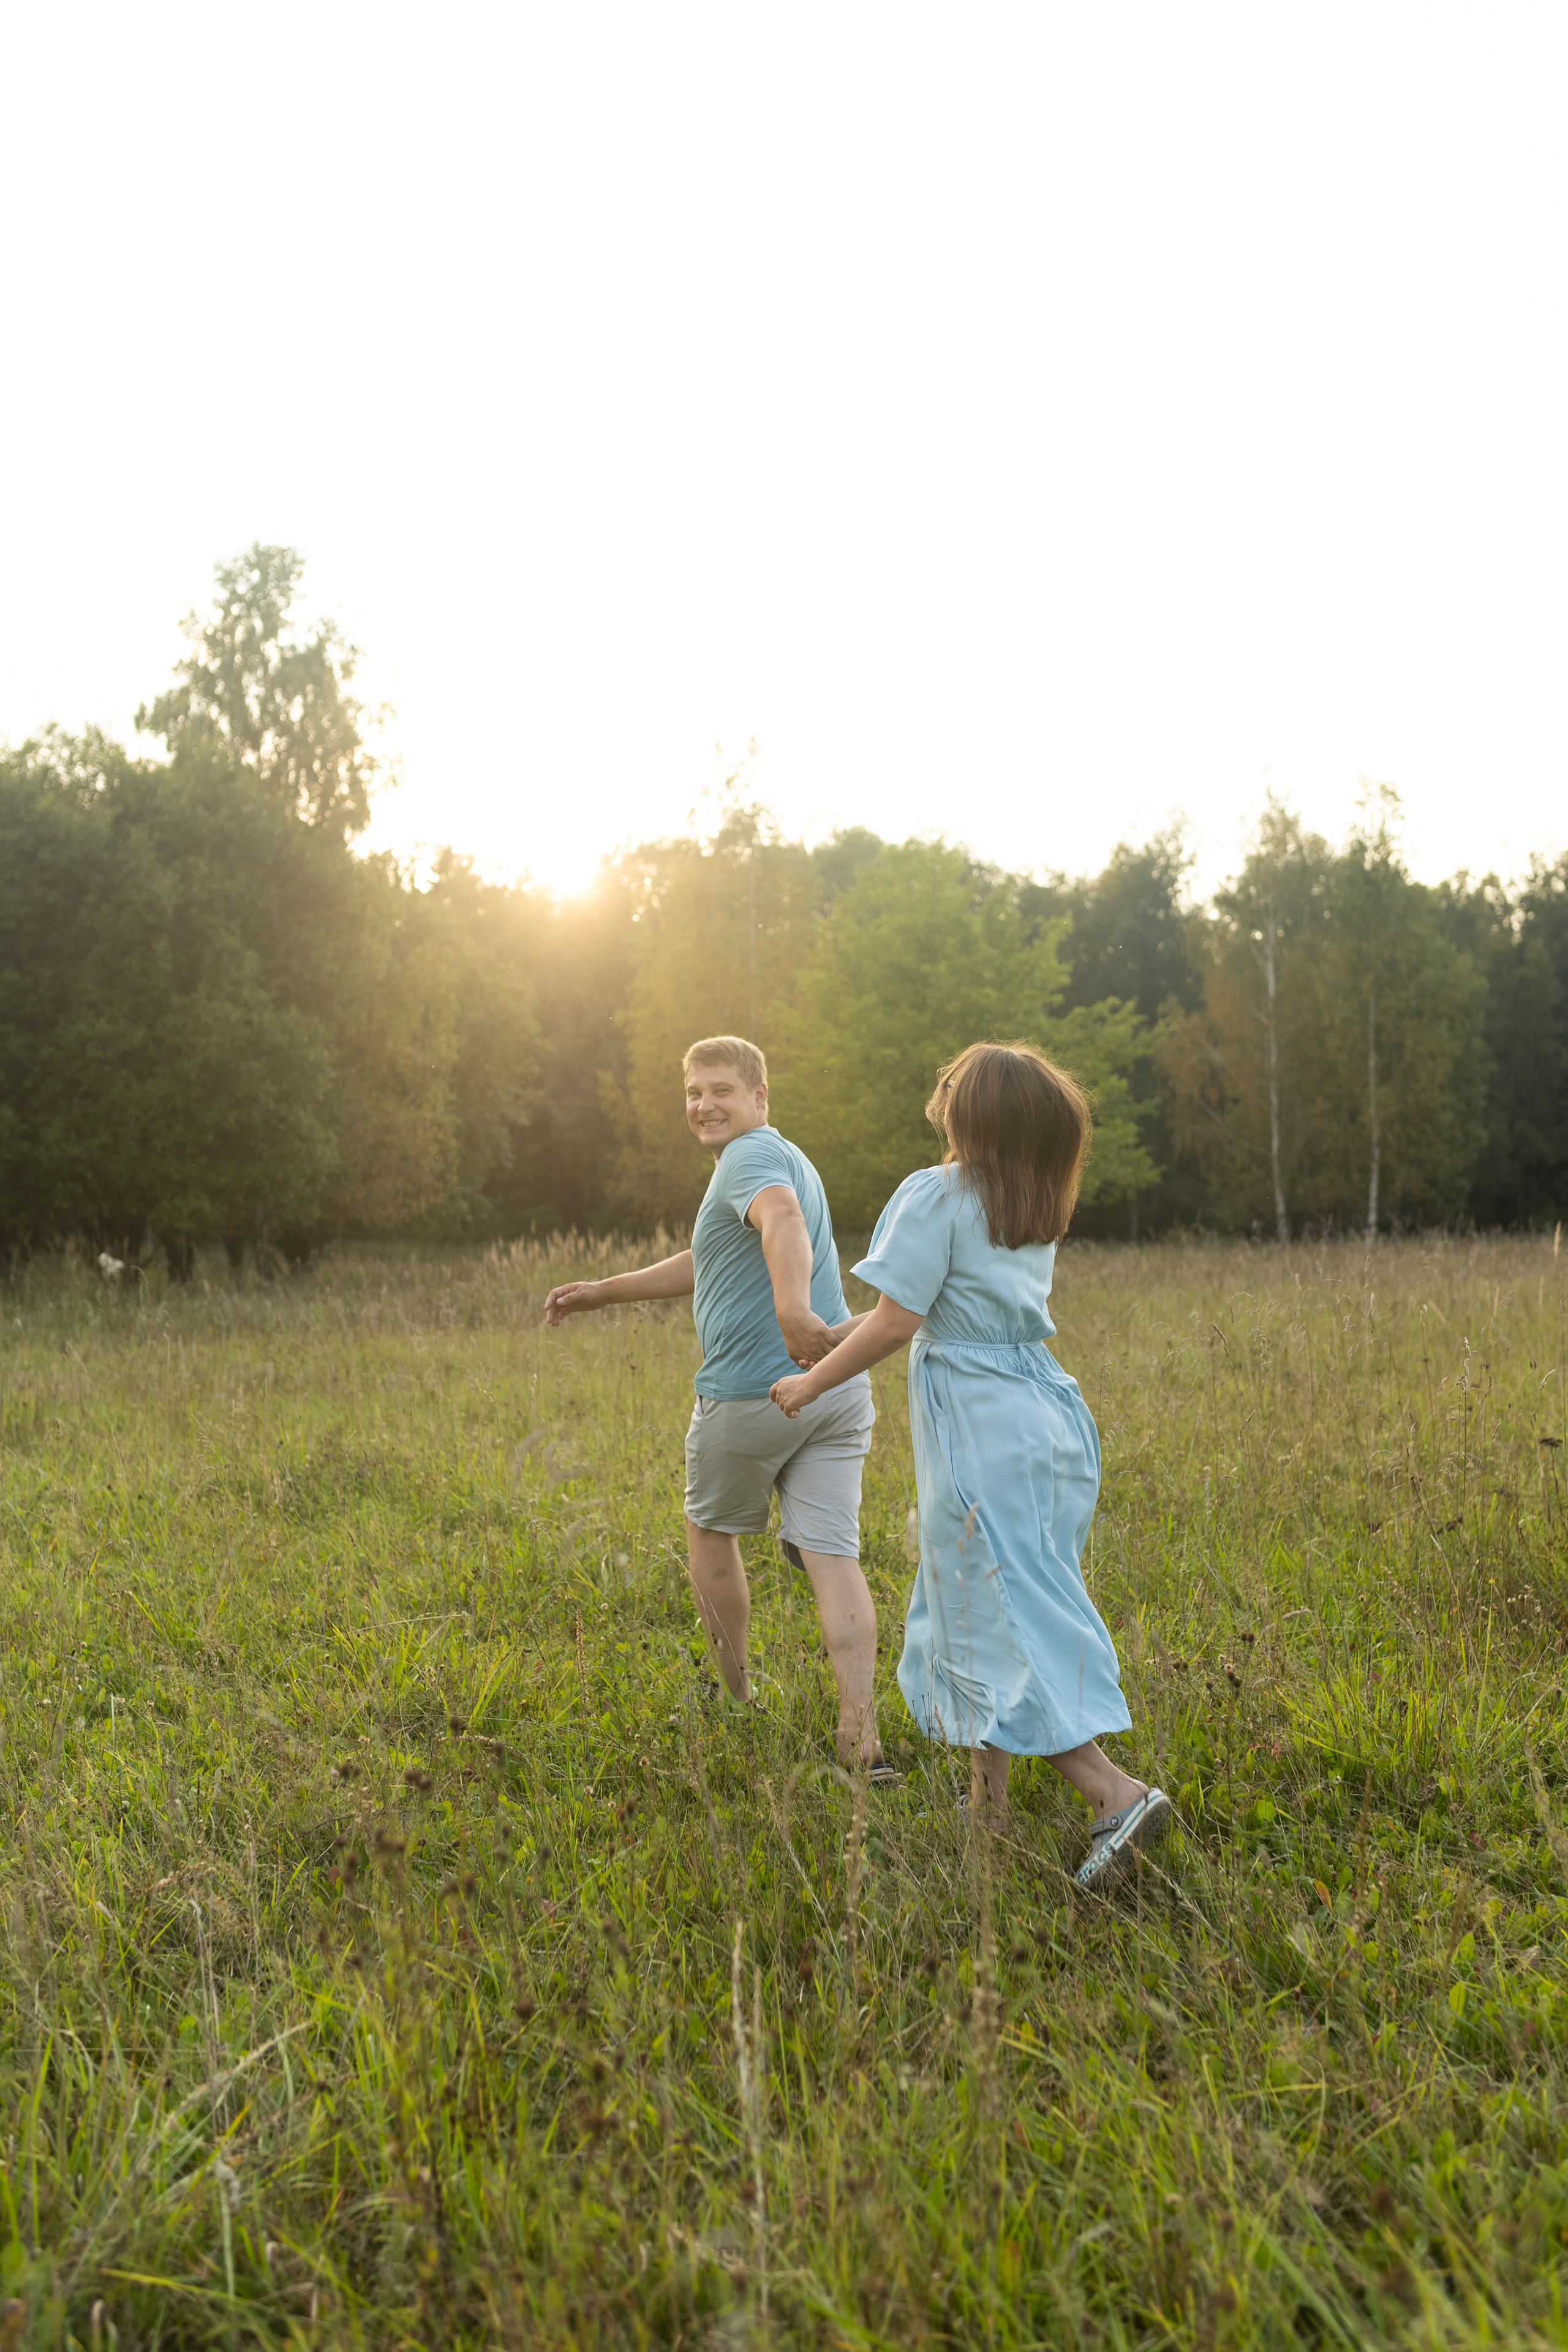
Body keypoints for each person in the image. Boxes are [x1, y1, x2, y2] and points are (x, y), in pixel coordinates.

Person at [770, 1039, 1170, 1888]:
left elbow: (898, 1323)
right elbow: (930, 1309)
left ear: (967, 1114)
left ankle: (1114, 1794)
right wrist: (837, 1336)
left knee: (994, 1614)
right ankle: (987, 1806)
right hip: (1046, 1419)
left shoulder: (938, 1192)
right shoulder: (1028, 1203)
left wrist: (811, 1381)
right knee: (992, 1604)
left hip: (982, 1427)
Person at [544, 1035, 894, 1775]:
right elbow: (709, 1257)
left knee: (709, 1534)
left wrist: (792, 1310)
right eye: (694, 1093)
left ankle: (736, 1699)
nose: (704, 1104)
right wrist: (604, 1291)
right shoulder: (782, 1156)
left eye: (721, 1090)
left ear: (759, 1096)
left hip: (752, 1394)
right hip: (835, 1386)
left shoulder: (750, 1158)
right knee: (833, 1557)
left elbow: (783, 1221)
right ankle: (859, 1736)